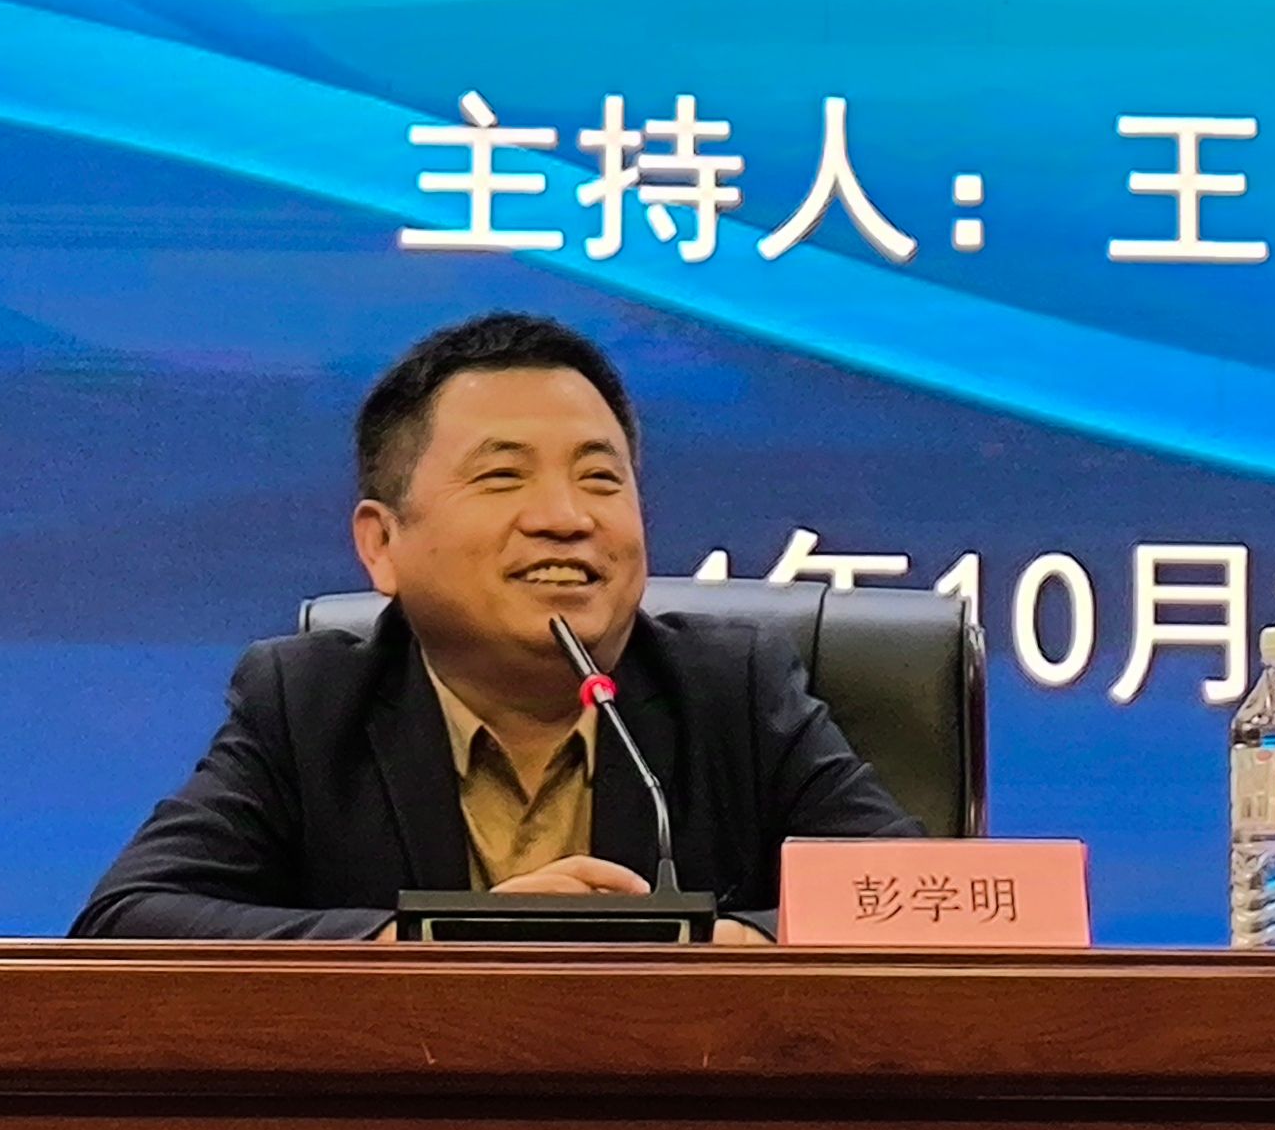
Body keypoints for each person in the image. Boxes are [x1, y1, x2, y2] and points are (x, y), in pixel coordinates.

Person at [73, 311, 922, 941]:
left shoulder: (730, 691)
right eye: (503, 477)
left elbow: (925, 908)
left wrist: (723, 944)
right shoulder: (307, 704)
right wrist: (444, 943)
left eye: (600, 478)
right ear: (382, 544)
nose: (566, 517)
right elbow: (128, 921)